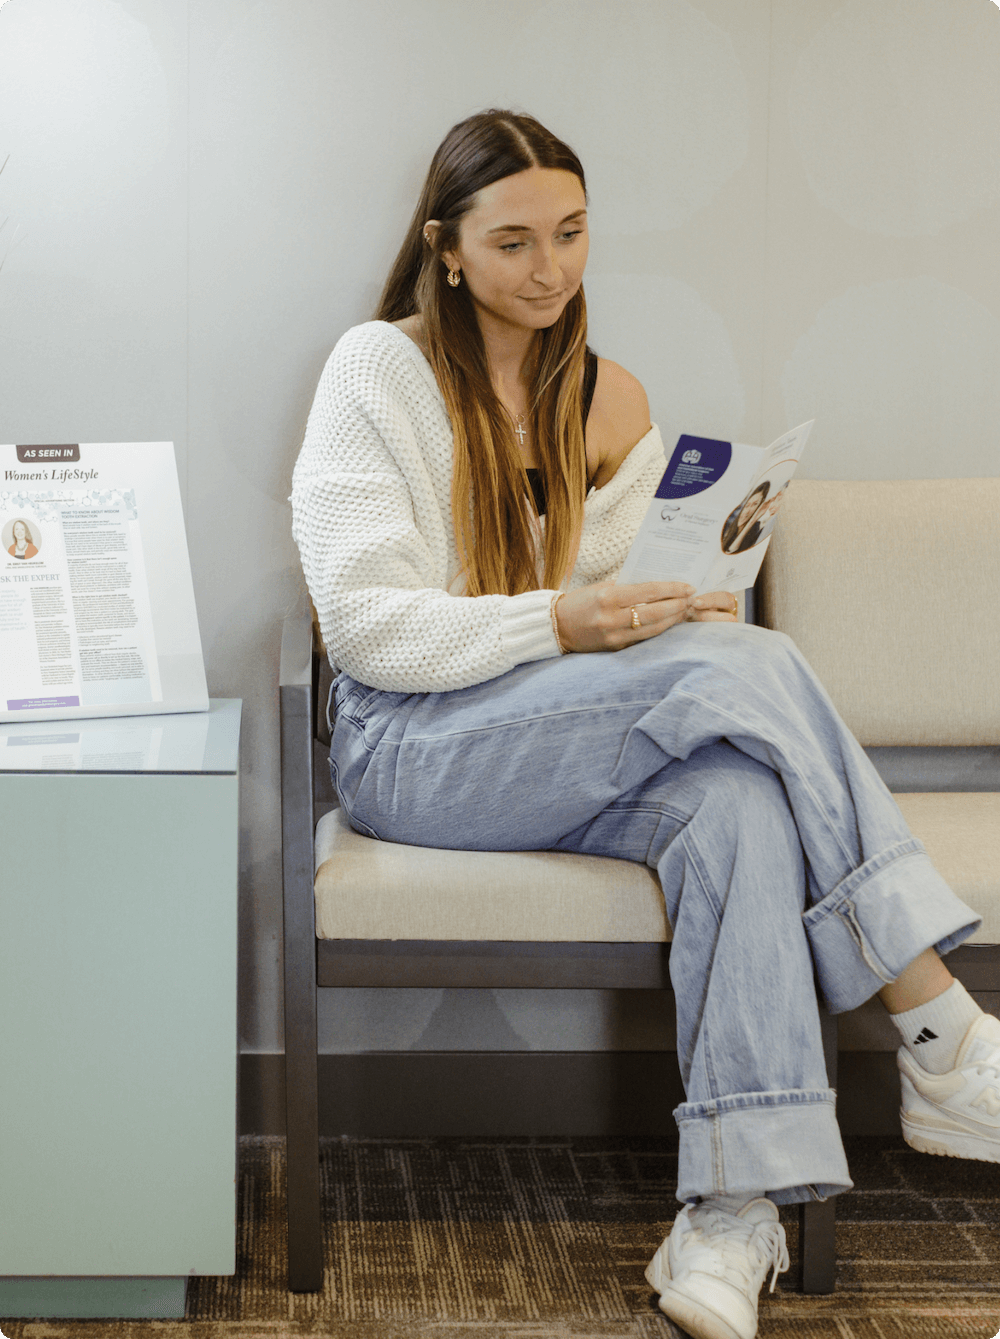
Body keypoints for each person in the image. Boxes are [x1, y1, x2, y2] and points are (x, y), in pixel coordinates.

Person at [291, 110, 997, 1339]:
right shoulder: (377, 371)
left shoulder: (606, 397)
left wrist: (680, 597)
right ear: (444, 247)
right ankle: (937, 1025)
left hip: (558, 740)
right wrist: (565, 624)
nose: (549, 269)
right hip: (411, 747)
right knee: (746, 668)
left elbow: (634, 594)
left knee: (733, 799)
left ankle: (729, 1213)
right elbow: (367, 628)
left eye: (569, 235)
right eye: (512, 241)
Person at [721, 484, 769, 554]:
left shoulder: (757, 530)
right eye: (747, 505)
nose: (746, 511)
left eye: (755, 504)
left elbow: (730, 552)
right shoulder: (729, 527)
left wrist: (752, 521)